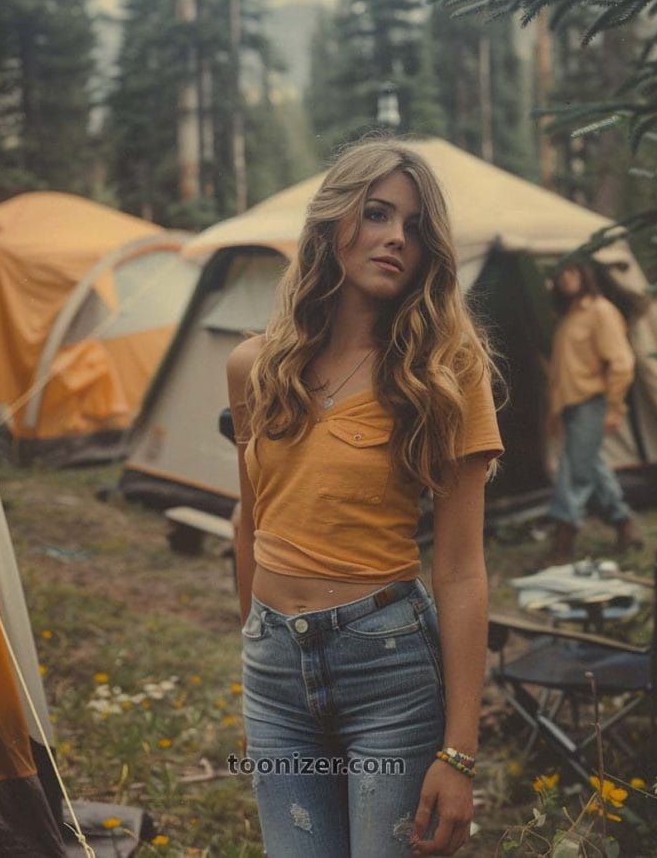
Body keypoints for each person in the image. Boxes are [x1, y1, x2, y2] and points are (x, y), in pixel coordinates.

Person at [226, 138, 504, 858]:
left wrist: (460, 754)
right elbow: (250, 520)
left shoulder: (443, 372)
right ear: (332, 222)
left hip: (387, 670)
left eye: (413, 227)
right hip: (274, 671)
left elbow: (462, 569)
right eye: (376, 213)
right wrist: (256, 654)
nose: (395, 238)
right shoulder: (256, 366)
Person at [541, 260, 643, 565]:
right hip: (571, 407)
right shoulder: (568, 317)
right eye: (561, 275)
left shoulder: (600, 310)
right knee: (592, 467)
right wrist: (554, 412)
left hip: (591, 404)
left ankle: (563, 544)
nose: (566, 279)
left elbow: (621, 361)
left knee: (573, 471)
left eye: (573, 271)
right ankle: (626, 526)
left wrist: (615, 407)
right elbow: (563, 372)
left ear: (584, 274)